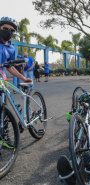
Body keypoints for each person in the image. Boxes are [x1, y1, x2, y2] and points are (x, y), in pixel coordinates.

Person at [0, 16, 32, 149]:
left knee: (3, 110)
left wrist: (23, 78)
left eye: (11, 30)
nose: (8, 31)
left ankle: (5, 137)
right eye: (5, 29)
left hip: (2, 79)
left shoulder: (11, 48)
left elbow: (10, 67)